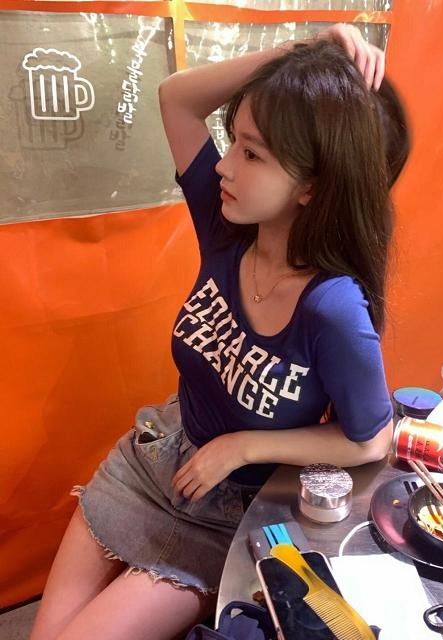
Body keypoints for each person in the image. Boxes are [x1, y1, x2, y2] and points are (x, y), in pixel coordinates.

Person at [30, 23, 410, 640]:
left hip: (229, 511)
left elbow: (370, 439)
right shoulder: (227, 226)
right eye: (234, 142)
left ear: (312, 186)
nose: (226, 166)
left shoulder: (333, 307)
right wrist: (301, 53)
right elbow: (177, 98)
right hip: (156, 458)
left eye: (252, 155)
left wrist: (242, 446)